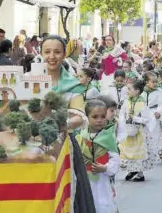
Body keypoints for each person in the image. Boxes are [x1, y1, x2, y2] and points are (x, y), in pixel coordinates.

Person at [40, 35, 96, 212]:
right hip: (32, 146)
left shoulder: (73, 85)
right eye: (47, 52)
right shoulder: (29, 79)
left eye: (57, 52)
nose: (52, 56)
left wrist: (59, 125)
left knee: (64, 192)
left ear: (64, 54)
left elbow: (79, 117)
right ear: (41, 54)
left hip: (63, 145)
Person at [76, 100, 121, 213]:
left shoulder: (108, 137)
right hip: (85, 180)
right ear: (87, 117)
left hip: (102, 180)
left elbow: (115, 159)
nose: (99, 120)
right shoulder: (80, 135)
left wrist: (105, 168)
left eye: (103, 116)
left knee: (103, 205)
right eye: (95, 117)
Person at [118, 80, 156, 182]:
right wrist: (122, 121)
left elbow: (147, 119)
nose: (127, 91)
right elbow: (122, 113)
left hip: (139, 132)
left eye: (130, 89)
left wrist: (134, 118)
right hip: (128, 130)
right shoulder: (127, 101)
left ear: (137, 91)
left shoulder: (142, 104)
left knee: (137, 152)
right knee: (128, 151)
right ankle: (132, 170)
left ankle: (140, 174)